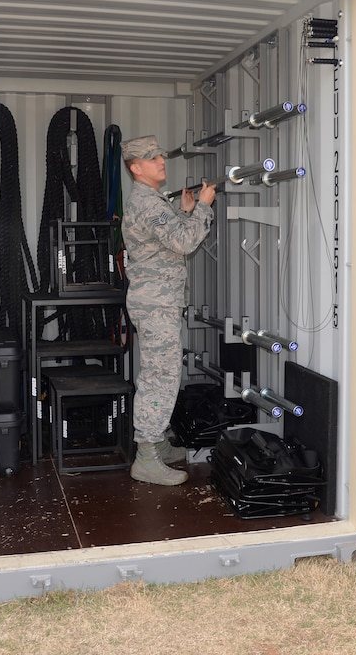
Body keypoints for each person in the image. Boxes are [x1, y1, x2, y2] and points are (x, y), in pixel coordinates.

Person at [120, 135, 217, 485]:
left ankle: (157, 443)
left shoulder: (152, 201)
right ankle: (146, 456)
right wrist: (204, 207)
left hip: (157, 302)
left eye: (160, 154)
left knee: (160, 373)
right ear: (136, 167)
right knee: (160, 378)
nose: (162, 160)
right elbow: (183, 242)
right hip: (156, 304)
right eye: (152, 157)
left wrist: (183, 212)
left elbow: (165, 241)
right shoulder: (148, 203)